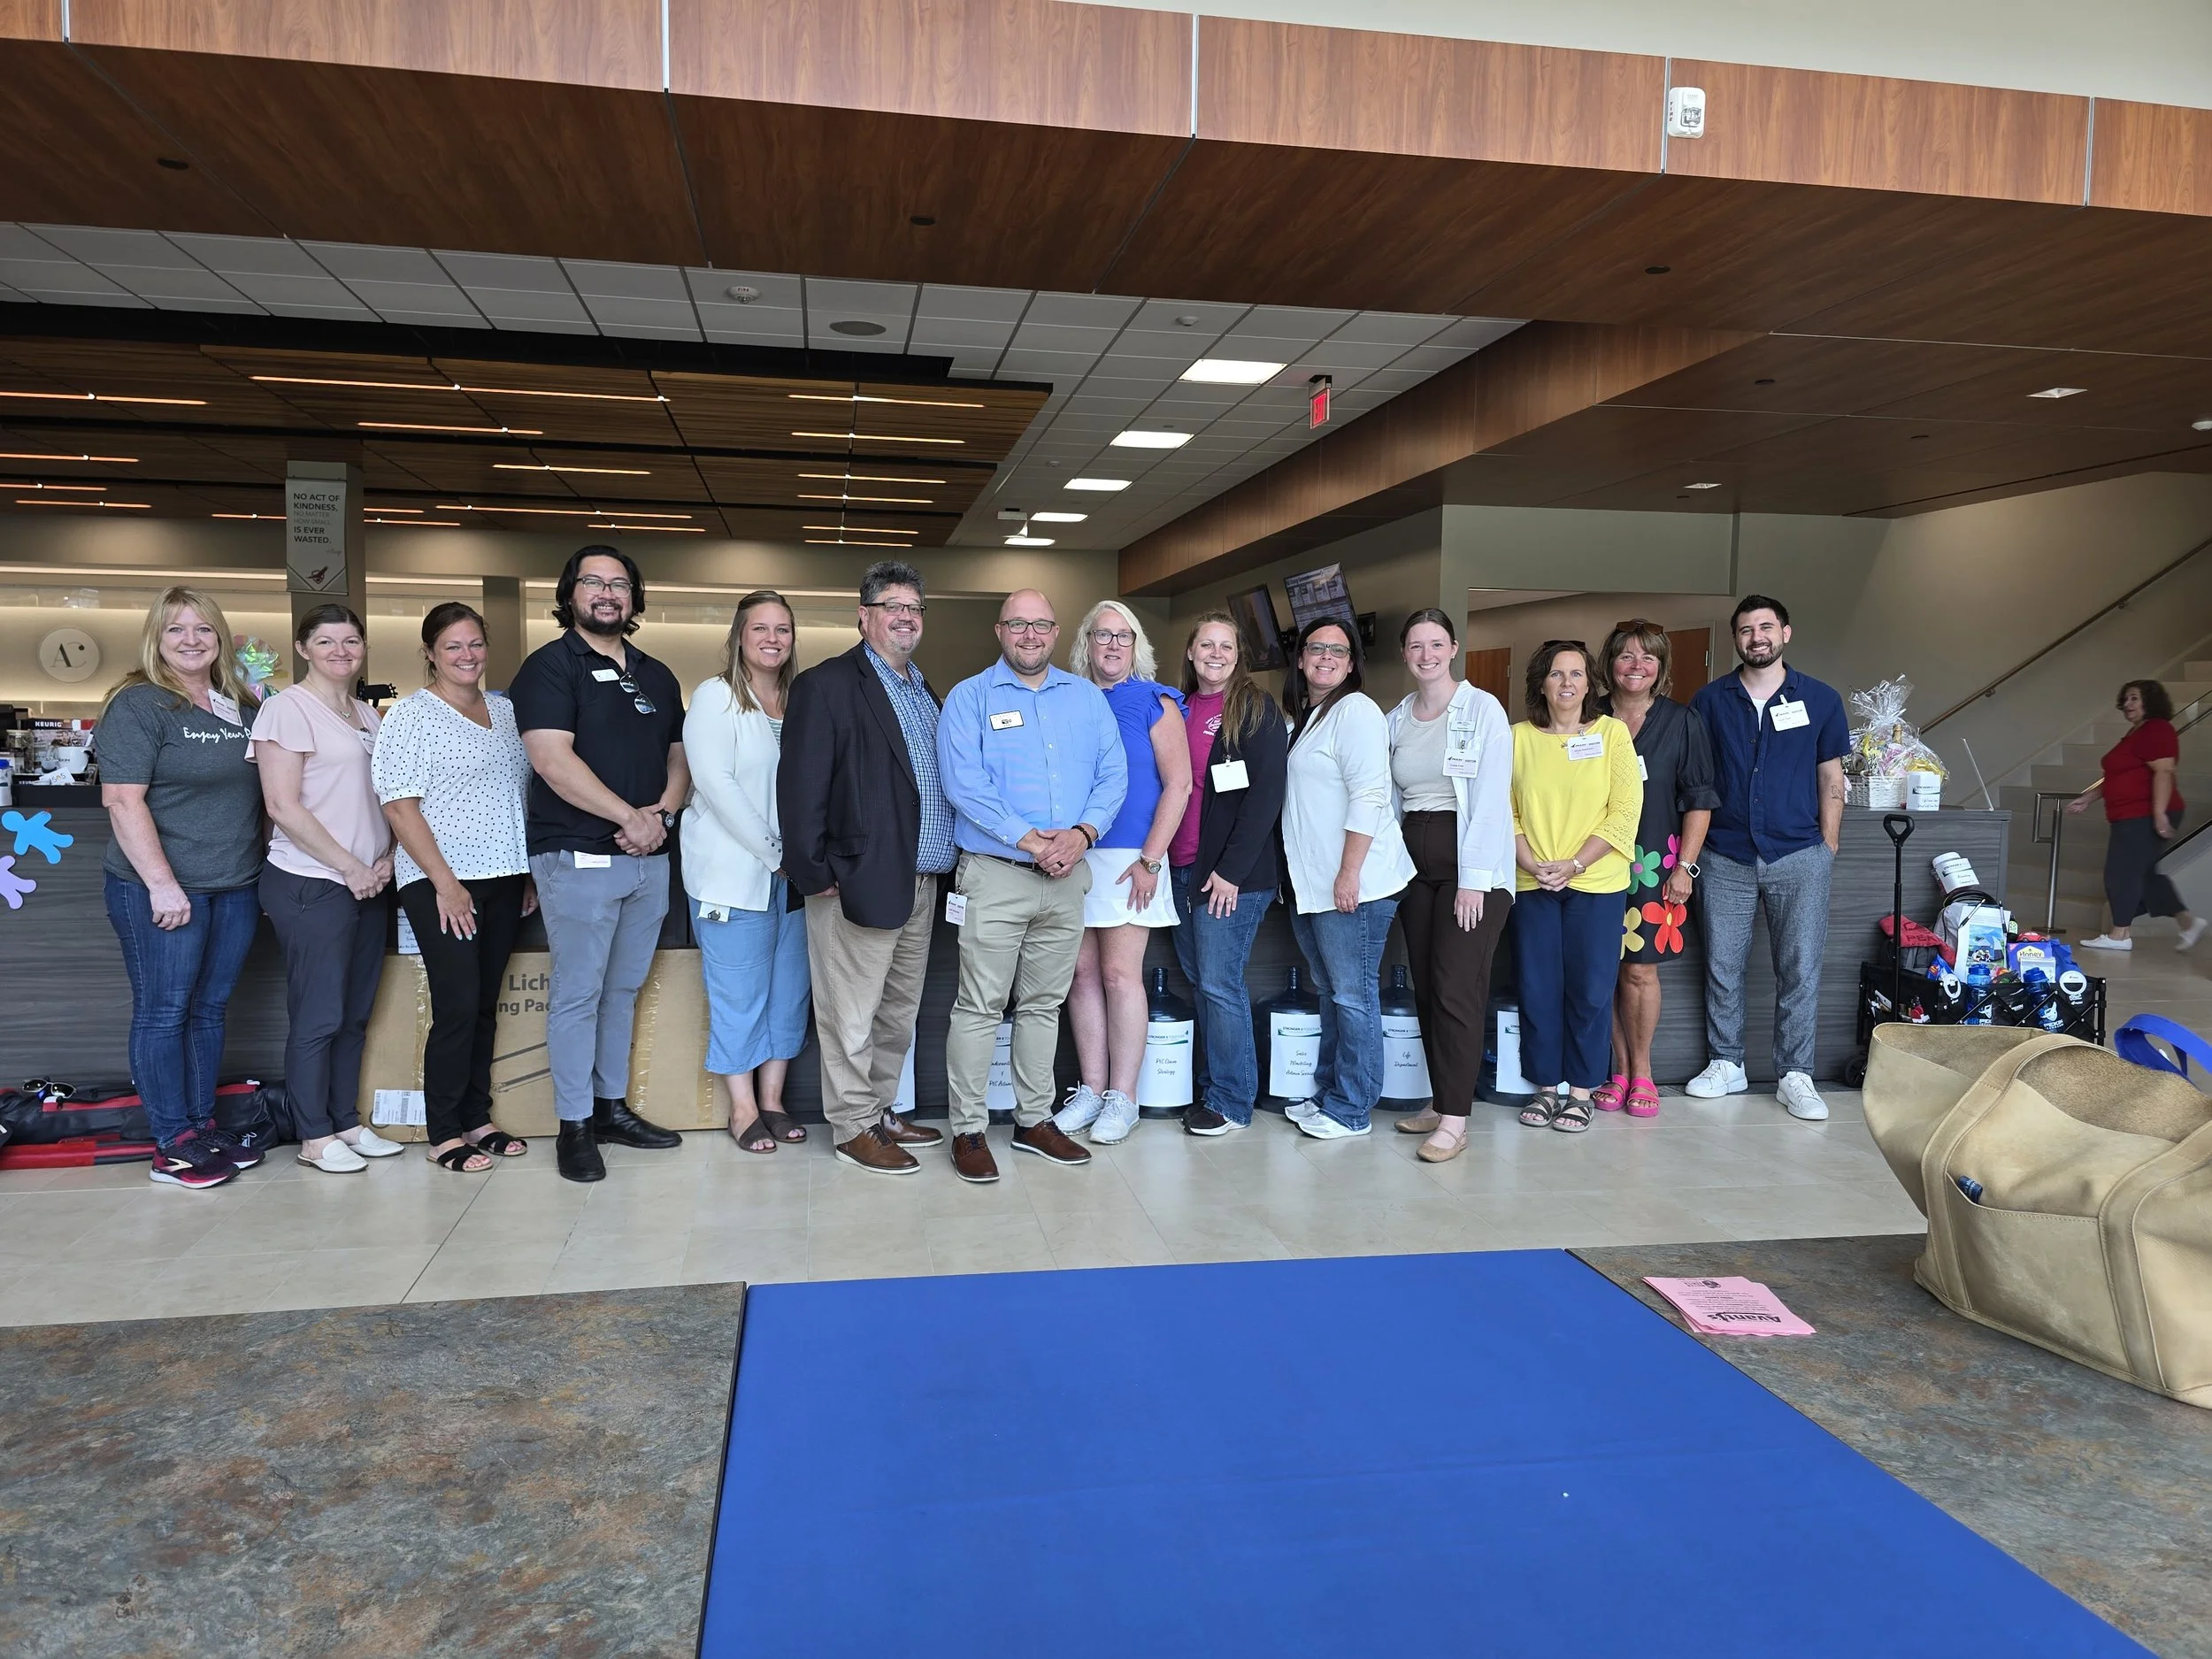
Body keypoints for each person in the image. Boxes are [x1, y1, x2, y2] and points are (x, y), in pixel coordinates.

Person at [510, 546, 690, 1183]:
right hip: (580, 856)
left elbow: (678, 757)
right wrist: (628, 817)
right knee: (579, 993)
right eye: (593, 582)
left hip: (650, 860)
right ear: (570, 594)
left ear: (635, 599)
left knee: (622, 991)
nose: (607, 593)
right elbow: (552, 761)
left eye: (619, 584)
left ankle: (611, 1107)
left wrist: (661, 817)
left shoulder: (657, 673)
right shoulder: (549, 667)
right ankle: (575, 1124)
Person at [937, 589, 1125, 1183]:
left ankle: (1034, 1121)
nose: (1029, 634)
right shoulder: (969, 698)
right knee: (980, 1006)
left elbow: (1112, 773)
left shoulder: (1087, 698)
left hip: (1067, 877)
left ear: (1054, 629)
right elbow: (963, 784)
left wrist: (1083, 833)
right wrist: (1034, 841)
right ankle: (968, 1129)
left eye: (1040, 624)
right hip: (995, 875)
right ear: (999, 630)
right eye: (1017, 624)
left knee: (1044, 1004)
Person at [777, 560, 950, 1174]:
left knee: (896, 1011)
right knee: (849, 1012)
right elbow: (799, 788)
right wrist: (814, 872)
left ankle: (879, 1110)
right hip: (853, 879)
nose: (905, 617)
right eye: (892, 606)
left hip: (921, 881)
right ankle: (852, 1124)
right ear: (864, 614)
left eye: (914, 607)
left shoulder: (925, 689)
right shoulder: (826, 685)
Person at [96, 587, 268, 1190]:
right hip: (162, 888)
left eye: (203, 629)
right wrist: (163, 885)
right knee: (164, 1010)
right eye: (176, 630)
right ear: (156, 639)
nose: (191, 639)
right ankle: (170, 1141)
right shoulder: (139, 704)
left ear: (220, 638)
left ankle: (200, 1124)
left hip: (234, 884)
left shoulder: (237, 704)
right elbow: (121, 798)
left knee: (208, 1009)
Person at [373, 602, 534, 1175]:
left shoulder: (506, 710)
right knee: (458, 1004)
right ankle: (444, 1132)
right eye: (453, 647)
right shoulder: (411, 716)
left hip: (504, 876)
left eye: (474, 644)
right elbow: (398, 803)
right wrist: (445, 883)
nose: (467, 656)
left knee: (486, 1004)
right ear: (430, 654)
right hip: (442, 880)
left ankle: (477, 1117)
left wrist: (525, 870)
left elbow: (515, 792)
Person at [250, 603, 404, 1174]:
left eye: (351, 641)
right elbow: (281, 805)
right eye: (326, 641)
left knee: (353, 1014)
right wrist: (350, 865)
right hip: (312, 882)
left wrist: (385, 857)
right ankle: (313, 1136)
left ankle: (345, 1122)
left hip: (368, 882)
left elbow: (385, 798)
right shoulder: (286, 710)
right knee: (318, 1016)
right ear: (302, 648)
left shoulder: (369, 715)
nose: (341, 651)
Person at [1686, 595, 1849, 1121]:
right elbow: (1699, 780)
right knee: (1723, 965)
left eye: (1765, 628)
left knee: (1800, 968)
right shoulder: (1710, 701)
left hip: (1799, 853)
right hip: (1726, 853)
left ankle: (1795, 1074)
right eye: (1746, 630)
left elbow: (1831, 776)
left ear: (1785, 633)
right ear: (1735, 639)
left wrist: (1829, 844)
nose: (1756, 637)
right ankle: (1726, 1063)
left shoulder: (1820, 700)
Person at [1054, 602, 1191, 1146]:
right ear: (1086, 642)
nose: (1112, 645)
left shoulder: (1155, 702)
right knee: (1079, 977)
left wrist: (1151, 859)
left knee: (1118, 977)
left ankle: (1123, 1097)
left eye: (1123, 636)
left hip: (1132, 859)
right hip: (1073, 855)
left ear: (1137, 647)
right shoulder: (1065, 696)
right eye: (1102, 635)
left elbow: (1178, 785)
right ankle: (1090, 1090)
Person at [683, 590, 813, 1154]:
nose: (771, 639)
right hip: (737, 874)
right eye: (759, 628)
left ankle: (774, 1101)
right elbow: (718, 785)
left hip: (798, 877)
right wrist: (776, 852)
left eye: (782, 629)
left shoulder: (801, 699)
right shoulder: (716, 698)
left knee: (789, 993)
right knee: (739, 993)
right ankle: (742, 1108)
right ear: (738, 636)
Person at [1279, 616, 1414, 1140]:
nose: (1327, 658)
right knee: (1332, 991)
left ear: (1353, 662)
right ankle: (1332, 1092)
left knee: (1353, 995)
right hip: (1313, 885)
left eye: (1339, 651)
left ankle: (1353, 1107)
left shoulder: (1355, 711)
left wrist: (1349, 873)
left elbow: (1370, 795)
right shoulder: (1309, 716)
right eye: (1317, 648)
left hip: (1354, 883)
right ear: (1300, 657)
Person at [1386, 609, 1513, 1164]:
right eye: (1416, 645)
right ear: (1404, 654)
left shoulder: (1483, 709)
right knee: (1426, 989)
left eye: (1436, 644)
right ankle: (1443, 1101)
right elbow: (1386, 797)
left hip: (1471, 872)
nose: (1426, 654)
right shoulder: (1396, 718)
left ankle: (1456, 1122)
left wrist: (1474, 881)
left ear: (1454, 648)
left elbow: (1489, 800)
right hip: (1415, 868)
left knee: (1457, 988)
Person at [1509, 641, 1642, 1133]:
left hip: (1597, 883)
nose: (1567, 683)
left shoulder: (1612, 735)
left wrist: (1575, 864)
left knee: (1590, 990)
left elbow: (1625, 812)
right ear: (1540, 682)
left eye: (1577, 674)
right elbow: (1506, 811)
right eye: (1556, 674)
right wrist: (1534, 862)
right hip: (1532, 881)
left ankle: (1582, 1091)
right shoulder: (1517, 738)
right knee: (1538, 987)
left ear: (1590, 683)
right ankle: (1546, 1088)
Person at [1168, 612, 1286, 1137]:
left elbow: (1265, 799)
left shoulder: (1256, 709)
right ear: (1191, 652)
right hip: (1182, 869)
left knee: (1220, 984)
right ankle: (1213, 1085)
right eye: (1206, 644)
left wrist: (1230, 872)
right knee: (1203, 983)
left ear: (1239, 657)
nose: (1216, 654)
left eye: (1227, 647)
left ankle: (1233, 1100)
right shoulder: (1176, 707)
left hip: (1229, 878)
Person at [1594, 621, 1717, 1120]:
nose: (1636, 666)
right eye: (1626, 656)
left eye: (1648, 658)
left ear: (1661, 667)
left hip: (1654, 863)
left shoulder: (1683, 723)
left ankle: (1643, 1071)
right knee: (1599, 971)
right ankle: (1617, 1069)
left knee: (1640, 969)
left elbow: (1700, 800)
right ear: (1610, 664)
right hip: (1591, 861)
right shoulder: (1587, 716)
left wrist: (1685, 867)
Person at [2070, 679, 2204, 952]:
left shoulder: (2157, 729)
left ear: (2150, 702)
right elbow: (2118, 776)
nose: (2128, 704)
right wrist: (2089, 798)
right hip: (2129, 815)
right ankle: (2189, 922)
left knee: (2121, 872)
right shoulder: (2136, 732)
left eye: (2134, 698)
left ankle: (2120, 935)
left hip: (2144, 814)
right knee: (2143, 875)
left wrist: (2159, 815)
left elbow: (2164, 772)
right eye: (2126, 699)